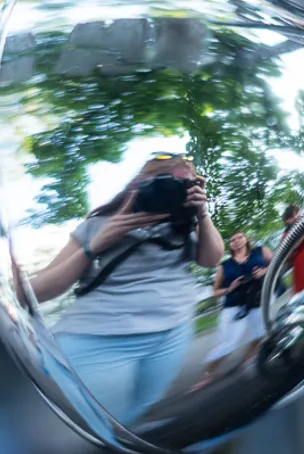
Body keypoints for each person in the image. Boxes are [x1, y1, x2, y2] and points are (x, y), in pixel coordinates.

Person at [23, 153, 224, 424]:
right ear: (137, 183)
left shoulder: (186, 225)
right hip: (99, 337)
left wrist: (201, 213)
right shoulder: (97, 225)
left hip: (174, 331)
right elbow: (38, 291)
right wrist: (94, 245)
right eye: (161, 181)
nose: (168, 191)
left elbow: (211, 259)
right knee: (80, 427)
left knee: (135, 413)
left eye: (182, 185)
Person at [191, 232, 273, 391]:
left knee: (261, 332)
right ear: (229, 245)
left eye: (239, 237)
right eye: (232, 240)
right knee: (226, 342)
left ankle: (247, 359)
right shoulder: (225, 266)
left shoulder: (260, 251)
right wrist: (230, 288)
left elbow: (277, 264)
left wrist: (264, 271)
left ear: (246, 239)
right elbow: (215, 292)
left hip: (257, 300)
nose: (236, 241)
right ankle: (209, 373)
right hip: (234, 306)